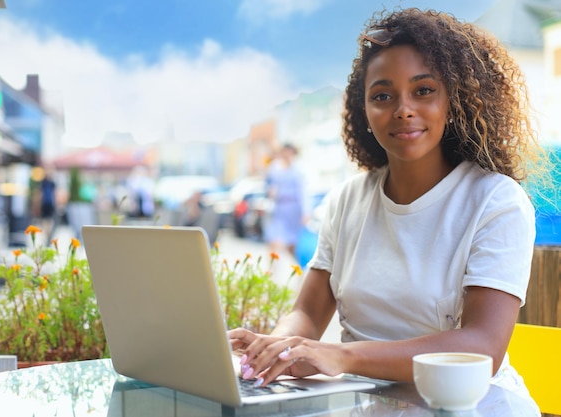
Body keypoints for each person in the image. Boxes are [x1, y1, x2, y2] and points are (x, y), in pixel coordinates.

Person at [228, 8, 544, 415]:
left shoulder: (495, 200)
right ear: (364, 111)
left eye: (424, 90)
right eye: (382, 95)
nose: (403, 109)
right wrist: (279, 348)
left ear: (456, 99)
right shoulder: (347, 200)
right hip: (367, 406)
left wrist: (342, 357)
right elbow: (307, 313)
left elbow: (482, 347)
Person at [263, 143, 310, 258]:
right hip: (279, 209)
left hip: (294, 211)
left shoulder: (298, 171)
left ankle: (299, 271)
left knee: (292, 246)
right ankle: (271, 271)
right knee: (274, 240)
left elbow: (303, 193)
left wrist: (306, 212)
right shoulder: (275, 169)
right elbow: (269, 185)